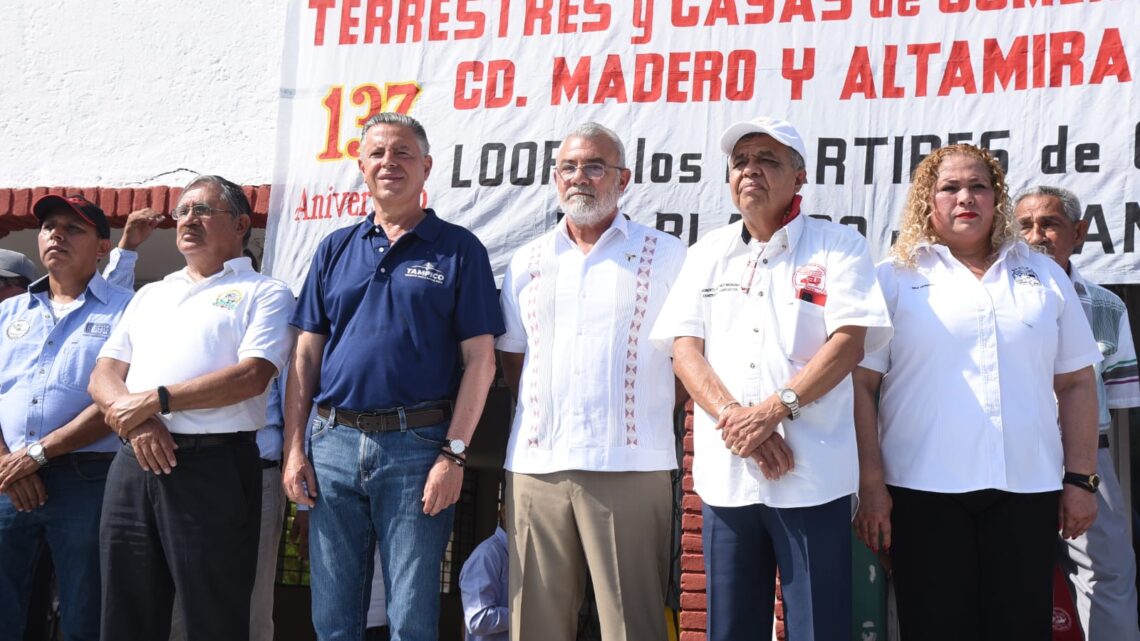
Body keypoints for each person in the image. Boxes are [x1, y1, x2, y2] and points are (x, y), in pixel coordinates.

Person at [651, 116, 892, 641]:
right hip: (729, 477)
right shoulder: (706, 254)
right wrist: (741, 421)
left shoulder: (838, 246)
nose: (751, 171)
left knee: (819, 627)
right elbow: (685, 350)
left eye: (767, 161)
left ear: (800, 177)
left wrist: (773, 411)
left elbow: (849, 343)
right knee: (732, 628)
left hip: (813, 476)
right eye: (740, 162)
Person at [852, 145, 1102, 641]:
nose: (965, 197)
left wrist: (1082, 480)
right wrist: (872, 485)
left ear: (996, 198)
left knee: (1020, 628)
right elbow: (861, 386)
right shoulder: (893, 278)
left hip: (1027, 491)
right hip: (922, 494)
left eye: (978, 186)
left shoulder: (1043, 275)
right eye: (950, 187)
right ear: (928, 200)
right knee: (935, 628)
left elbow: (1075, 382)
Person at [282, 112, 502, 641]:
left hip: (417, 447)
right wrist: (294, 448)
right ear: (361, 166)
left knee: (411, 617)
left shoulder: (458, 249)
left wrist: (453, 454)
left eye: (403, 153)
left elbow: (481, 362)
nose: (389, 162)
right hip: (331, 443)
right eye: (378, 153)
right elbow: (305, 357)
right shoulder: (334, 247)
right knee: (333, 616)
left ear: (426, 167)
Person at [497, 122, 685, 641]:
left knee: (632, 625)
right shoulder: (526, 261)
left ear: (623, 179)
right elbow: (515, 358)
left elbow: (688, 360)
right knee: (534, 624)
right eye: (570, 167)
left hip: (630, 462)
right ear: (556, 178)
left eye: (596, 166)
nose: (581, 177)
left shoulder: (666, 254)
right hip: (537, 466)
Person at [89, 175, 295, 641]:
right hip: (134, 462)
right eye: (182, 211)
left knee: (212, 617)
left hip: (214, 466)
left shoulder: (265, 292)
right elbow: (102, 376)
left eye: (203, 210)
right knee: (125, 611)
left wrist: (157, 400)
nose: (188, 220)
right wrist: (139, 424)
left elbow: (251, 376)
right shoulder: (151, 294)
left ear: (241, 223)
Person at [0, 196, 134, 641]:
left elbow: (118, 398)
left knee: (85, 609)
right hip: (6, 478)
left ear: (102, 246)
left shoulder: (128, 309)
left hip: (87, 479)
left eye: (73, 228)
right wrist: (9, 462)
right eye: (49, 226)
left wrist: (37, 453)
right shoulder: (7, 312)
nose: (56, 234)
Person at [1015, 185, 1140, 641]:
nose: (1036, 235)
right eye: (1024, 225)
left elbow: (1117, 402)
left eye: (1049, 223)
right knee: (1007, 574)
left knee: (1108, 572)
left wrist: (1084, 472)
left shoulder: (1107, 306)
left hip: (1089, 455)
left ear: (1079, 233)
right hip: (1014, 451)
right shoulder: (991, 299)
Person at [459, 522, 508, 641]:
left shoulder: (518, 555)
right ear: (505, 513)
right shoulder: (487, 555)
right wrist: (527, 614)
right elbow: (478, 619)